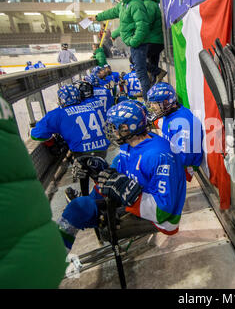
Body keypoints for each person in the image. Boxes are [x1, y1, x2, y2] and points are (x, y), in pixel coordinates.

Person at [58, 100, 187, 250]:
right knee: (79, 208)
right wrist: (98, 170)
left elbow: (164, 211)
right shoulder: (129, 144)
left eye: (115, 127)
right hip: (138, 200)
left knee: (78, 211)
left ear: (128, 128)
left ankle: (56, 258)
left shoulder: (159, 156)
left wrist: (130, 193)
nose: (112, 131)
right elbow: (116, 177)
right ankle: (85, 205)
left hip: (159, 219)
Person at [0, 92, 67, 288]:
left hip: (13, 270)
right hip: (46, 249)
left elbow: (36, 134)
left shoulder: (58, 114)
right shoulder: (3, 103)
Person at [90, 0, 152, 98]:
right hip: (134, 44)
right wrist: (97, 17)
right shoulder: (123, 4)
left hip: (138, 44)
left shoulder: (135, 3)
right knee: (140, 71)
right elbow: (111, 12)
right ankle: (147, 96)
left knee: (141, 73)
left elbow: (143, 25)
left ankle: (148, 101)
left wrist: (133, 41)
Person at [31, 84, 110, 157]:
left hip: (82, 152)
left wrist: (51, 141)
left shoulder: (58, 113)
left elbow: (36, 134)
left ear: (62, 99)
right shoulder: (89, 107)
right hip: (103, 149)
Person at [146, 82, 204, 181]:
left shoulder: (183, 123)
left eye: (155, 103)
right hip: (174, 157)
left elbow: (185, 158)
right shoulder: (169, 113)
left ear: (166, 102)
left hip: (182, 167)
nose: (152, 107)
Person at [143, 0, 166, 85]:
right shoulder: (153, 3)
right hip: (157, 41)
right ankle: (152, 88)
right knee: (152, 65)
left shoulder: (148, 4)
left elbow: (147, 23)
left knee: (136, 60)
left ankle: (159, 72)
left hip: (153, 41)